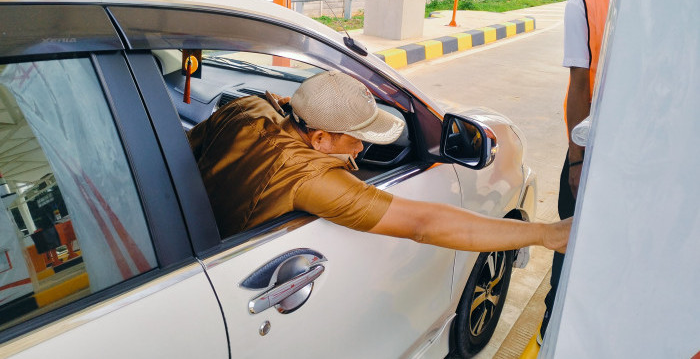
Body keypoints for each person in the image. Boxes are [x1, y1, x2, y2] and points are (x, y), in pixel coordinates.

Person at [188, 69, 572, 254]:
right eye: (357, 141)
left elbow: (187, 150)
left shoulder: (246, 107)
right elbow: (423, 224)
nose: (359, 151)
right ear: (320, 138)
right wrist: (543, 234)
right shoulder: (311, 179)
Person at [537, 0, 630, 345]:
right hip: (593, 150)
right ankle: (555, 327)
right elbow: (579, 85)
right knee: (569, 247)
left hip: (644, 153)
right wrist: (577, 160)